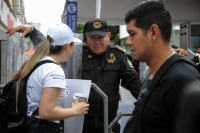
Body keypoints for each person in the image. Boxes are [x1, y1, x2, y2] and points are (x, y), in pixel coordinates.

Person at [8, 19, 142, 133]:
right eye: (92, 37)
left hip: (108, 123)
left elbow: (134, 84)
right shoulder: (75, 53)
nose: (96, 42)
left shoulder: (119, 56)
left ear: (108, 36)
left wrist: (149, 104)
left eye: (100, 37)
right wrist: (32, 31)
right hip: (79, 123)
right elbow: (53, 44)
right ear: (86, 37)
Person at [122, 1, 200, 133]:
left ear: (153, 32)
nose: (128, 42)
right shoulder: (156, 72)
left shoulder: (181, 79)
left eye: (133, 34)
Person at [6, 24, 89, 133]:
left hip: (33, 125)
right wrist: (75, 110)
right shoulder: (54, 70)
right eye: (73, 45)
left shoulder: (40, 62)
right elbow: (46, 112)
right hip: (42, 127)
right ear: (68, 46)